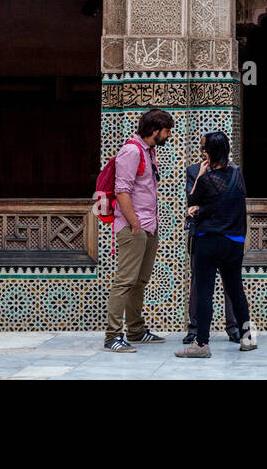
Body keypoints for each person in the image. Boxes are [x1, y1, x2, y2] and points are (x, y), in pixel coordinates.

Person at [175, 131, 258, 358]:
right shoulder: (237, 175)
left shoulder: (206, 179)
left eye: (204, 149)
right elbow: (231, 202)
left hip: (209, 240)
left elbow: (192, 201)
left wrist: (201, 182)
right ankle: (247, 338)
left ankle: (201, 344)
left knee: (204, 292)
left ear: (209, 152)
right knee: (236, 290)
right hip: (234, 242)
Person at [103, 108, 173, 352]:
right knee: (125, 281)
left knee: (139, 280)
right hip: (134, 226)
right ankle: (113, 335)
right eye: (166, 131)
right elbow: (122, 191)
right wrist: (134, 223)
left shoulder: (148, 151)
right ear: (154, 130)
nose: (169, 136)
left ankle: (135, 330)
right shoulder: (131, 151)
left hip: (147, 224)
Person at [184, 154, 239, 346]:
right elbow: (191, 201)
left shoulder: (233, 171)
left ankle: (234, 328)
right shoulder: (193, 171)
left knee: (231, 281)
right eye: (203, 148)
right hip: (201, 233)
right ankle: (194, 329)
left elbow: (231, 202)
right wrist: (201, 176)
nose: (205, 152)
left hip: (226, 232)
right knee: (198, 282)